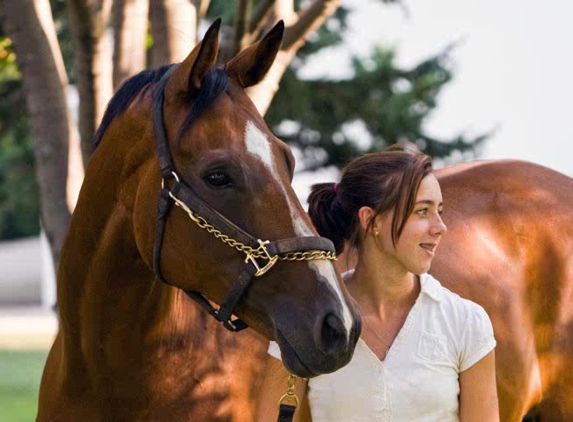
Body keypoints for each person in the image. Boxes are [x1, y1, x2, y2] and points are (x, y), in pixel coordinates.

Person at [256, 143, 499, 422]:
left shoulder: (466, 322)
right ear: (371, 221)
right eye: (422, 211)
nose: (439, 227)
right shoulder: (306, 321)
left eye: (439, 211)